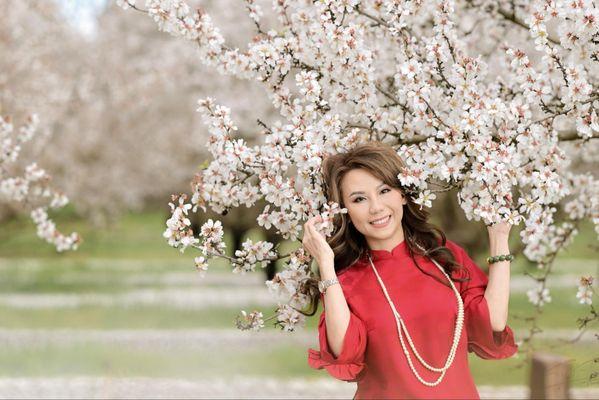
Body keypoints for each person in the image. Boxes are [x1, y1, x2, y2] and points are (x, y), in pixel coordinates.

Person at [302, 141, 517, 399]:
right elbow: (344, 350)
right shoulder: (347, 281)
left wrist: (499, 237)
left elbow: (492, 320)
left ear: (402, 193)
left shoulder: (443, 255)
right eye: (359, 199)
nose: (376, 207)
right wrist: (326, 264)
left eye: (384, 191)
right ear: (345, 211)